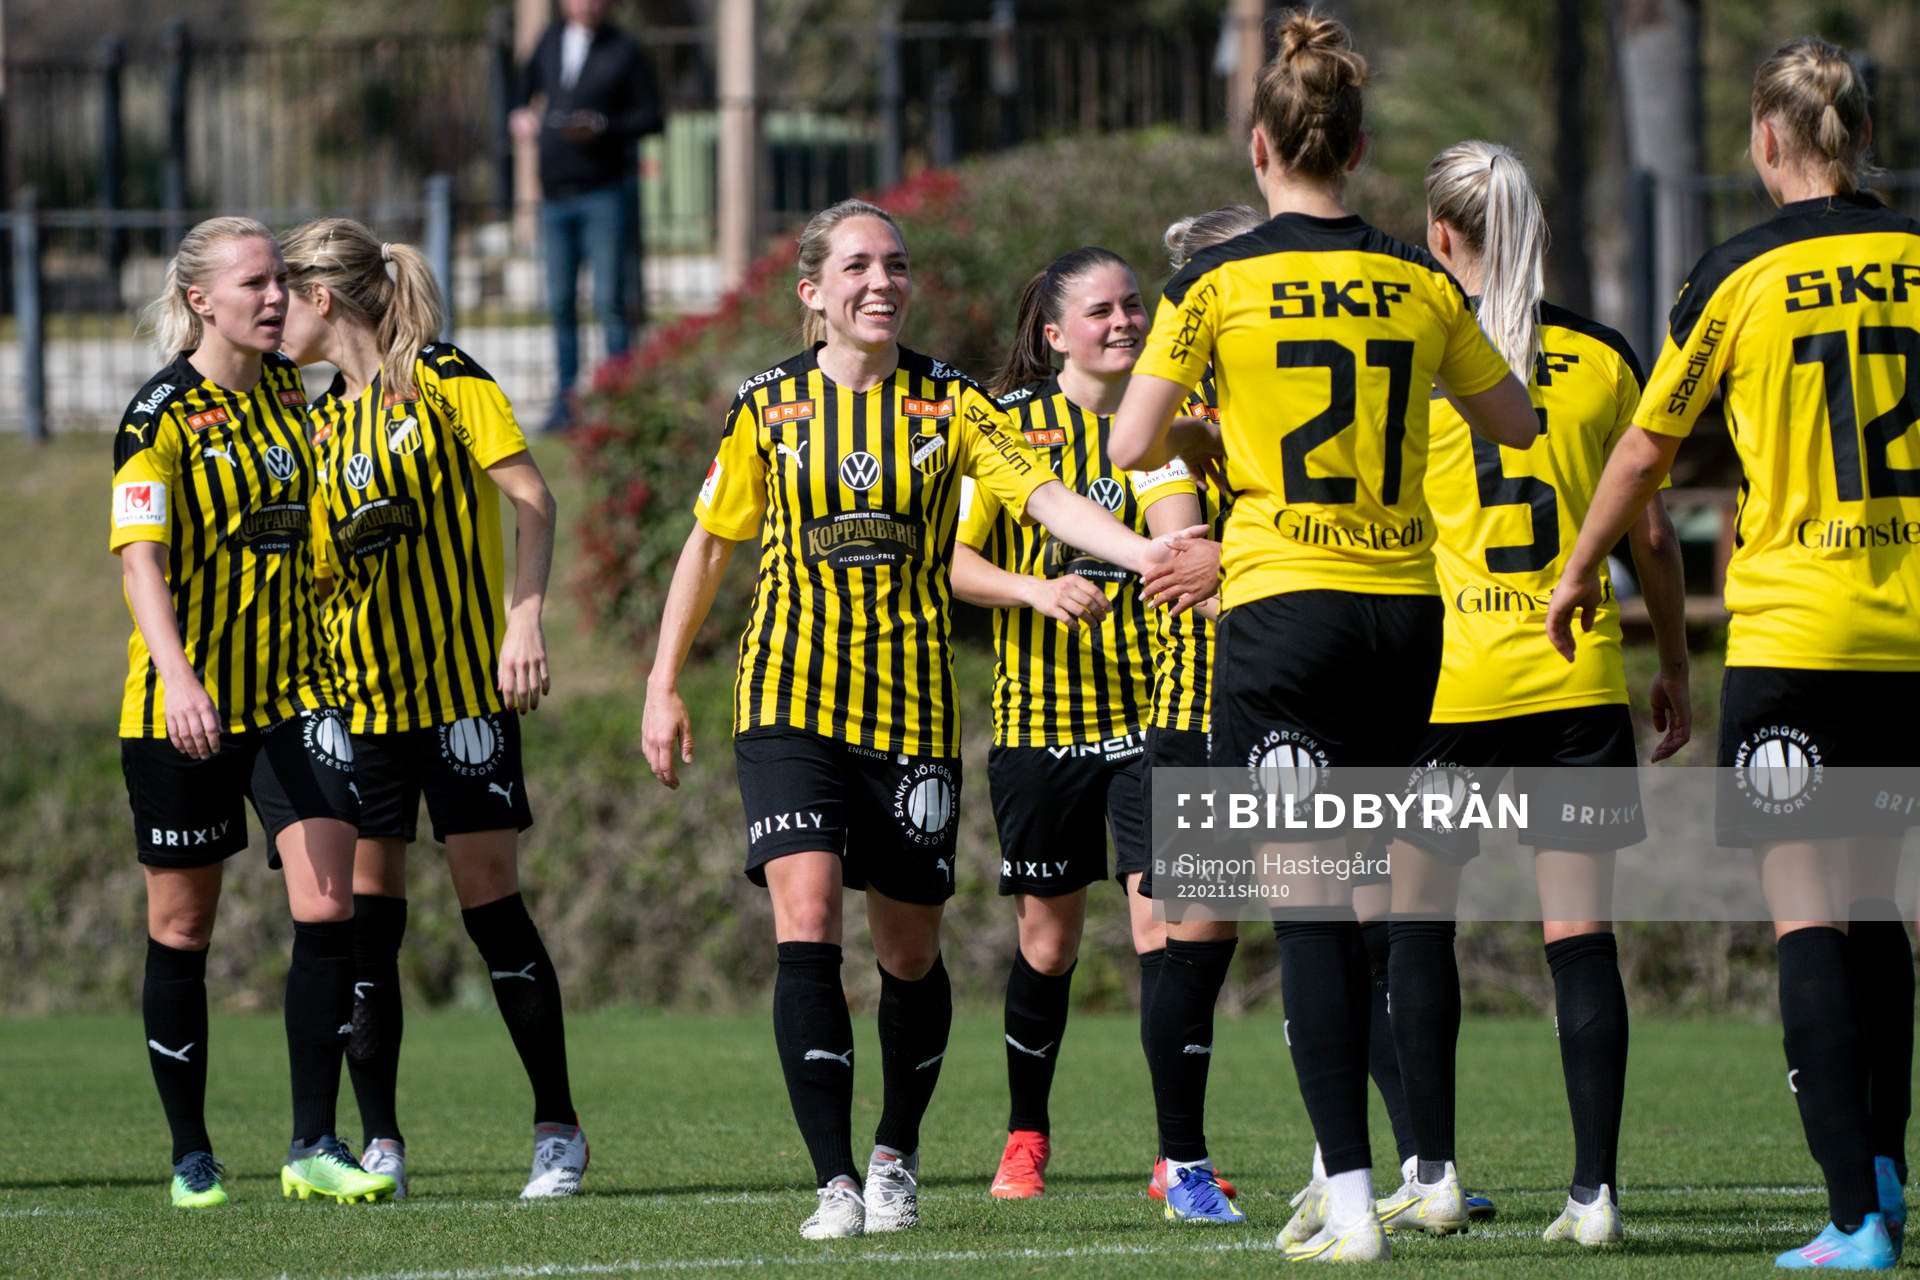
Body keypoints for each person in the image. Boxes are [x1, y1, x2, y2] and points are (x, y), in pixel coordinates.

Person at [640, 198, 1204, 1241]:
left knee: (906, 952)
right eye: (856, 266)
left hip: (909, 712)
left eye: (895, 265)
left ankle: (896, 1147)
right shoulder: (767, 405)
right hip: (787, 699)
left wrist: (1144, 557)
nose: (880, 281)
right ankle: (835, 1181)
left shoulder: (949, 403)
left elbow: (1045, 500)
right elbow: (711, 545)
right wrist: (662, 679)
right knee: (805, 916)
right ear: (813, 291)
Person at [1111, 11, 1540, 1261]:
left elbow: (1133, 443)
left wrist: (1213, 431)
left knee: (1305, 905)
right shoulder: (1419, 279)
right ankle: (1390, 1172)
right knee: (1372, 901)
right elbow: (1510, 420)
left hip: (1283, 610)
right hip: (1405, 619)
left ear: (1261, 147)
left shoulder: (1215, 282)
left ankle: (1350, 1203)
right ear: (1356, 149)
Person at [1547, 36, 1918, 1271]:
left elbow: (1648, 451)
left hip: (1801, 635)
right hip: (1910, 633)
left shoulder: (1736, 274)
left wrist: (1572, 569)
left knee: (1807, 914)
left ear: (1766, 138)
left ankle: (1855, 1223)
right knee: (1881, 909)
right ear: (1858, 135)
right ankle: (1885, 1170)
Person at [1357, 139, 1692, 1245]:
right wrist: (1676, 665)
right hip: (1575, 678)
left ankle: (1434, 1169)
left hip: (1447, 688)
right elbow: (1648, 530)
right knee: (1579, 937)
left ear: (1441, 238)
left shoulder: (1416, 357)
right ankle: (1595, 1192)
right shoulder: (1601, 357)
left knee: (1418, 929)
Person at [278, 217, 584, 1199]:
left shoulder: (447, 378)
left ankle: (558, 1130)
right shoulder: (315, 424)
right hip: (358, 712)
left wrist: (522, 621)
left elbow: (531, 498)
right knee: (370, 930)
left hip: (461, 703)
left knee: (493, 909)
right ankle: (382, 1144)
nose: (272, 314)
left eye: (284, 295)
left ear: (322, 297)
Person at [114, 216, 393, 1209]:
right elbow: (139, 559)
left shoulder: (288, 392)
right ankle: (192, 1151)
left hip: (295, 700)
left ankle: (313, 1140)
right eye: (257, 283)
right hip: (181, 711)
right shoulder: (158, 418)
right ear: (202, 300)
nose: (278, 296)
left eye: (282, 278)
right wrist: (181, 677)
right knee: (183, 927)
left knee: (332, 907)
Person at [952, 246, 1223, 1207]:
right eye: (1101, 311)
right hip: (1041, 725)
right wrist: (1033, 589)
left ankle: (1175, 1154)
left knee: (1164, 924)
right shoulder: (1012, 430)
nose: (1125, 323)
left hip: (1157, 719)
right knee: (1048, 944)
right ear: (1056, 334)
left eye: (1134, 306)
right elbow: (957, 563)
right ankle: (1027, 1135)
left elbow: (1180, 538)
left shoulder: (1155, 429)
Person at [1131, 205, 1258, 1225]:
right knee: (1201, 939)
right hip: (1207, 705)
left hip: (1307, 686)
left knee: (1347, 926)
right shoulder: (1171, 406)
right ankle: (1185, 1163)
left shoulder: (1285, 384)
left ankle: (1355, 1164)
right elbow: (1184, 569)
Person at [510, 0, 664, 431]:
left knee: (611, 301)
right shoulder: (550, 41)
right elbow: (521, 92)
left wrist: (604, 126)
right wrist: (520, 115)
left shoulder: (625, 50)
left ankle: (621, 401)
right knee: (560, 302)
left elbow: (652, 117)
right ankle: (565, 403)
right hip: (556, 196)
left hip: (605, 193)